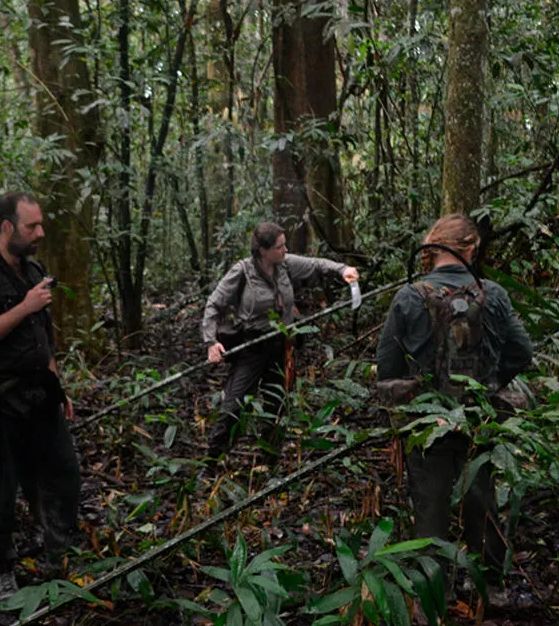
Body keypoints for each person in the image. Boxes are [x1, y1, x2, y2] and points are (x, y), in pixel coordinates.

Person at [374, 214, 532, 597]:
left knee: (430, 503)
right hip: (481, 414)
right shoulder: (493, 293)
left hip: (428, 420)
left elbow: (387, 366)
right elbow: (522, 352)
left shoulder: (410, 296)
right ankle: (490, 587)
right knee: (483, 495)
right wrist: (492, 382)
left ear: (434, 248)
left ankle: (432, 594)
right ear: (470, 248)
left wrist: (404, 405)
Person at [0, 192, 81, 600]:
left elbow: (45, 336)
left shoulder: (34, 269)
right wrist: (24, 306)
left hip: (38, 394)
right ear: (7, 228)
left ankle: (58, 555)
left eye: (41, 224)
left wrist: (58, 387)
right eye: (32, 226)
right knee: (0, 488)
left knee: (63, 474)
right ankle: (2, 567)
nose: (40, 233)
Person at [201, 221, 359, 463]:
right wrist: (211, 341)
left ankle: (270, 461)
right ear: (263, 251)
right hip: (252, 346)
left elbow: (315, 264)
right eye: (279, 247)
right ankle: (212, 462)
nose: (285, 251)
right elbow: (214, 304)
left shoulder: (285, 265)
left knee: (277, 404)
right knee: (234, 405)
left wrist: (342, 269)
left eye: (285, 245)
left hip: (281, 345)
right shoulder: (242, 271)